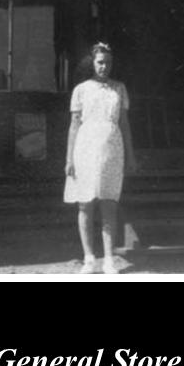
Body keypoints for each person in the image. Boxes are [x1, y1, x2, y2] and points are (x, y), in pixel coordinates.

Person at [64, 42, 136, 274]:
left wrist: (131, 156)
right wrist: (69, 159)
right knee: (85, 204)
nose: (104, 66)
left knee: (108, 203)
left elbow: (124, 124)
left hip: (111, 150)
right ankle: (88, 258)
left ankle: (108, 259)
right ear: (92, 63)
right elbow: (74, 126)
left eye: (108, 62)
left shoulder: (119, 89)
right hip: (85, 148)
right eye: (100, 62)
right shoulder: (81, 90)